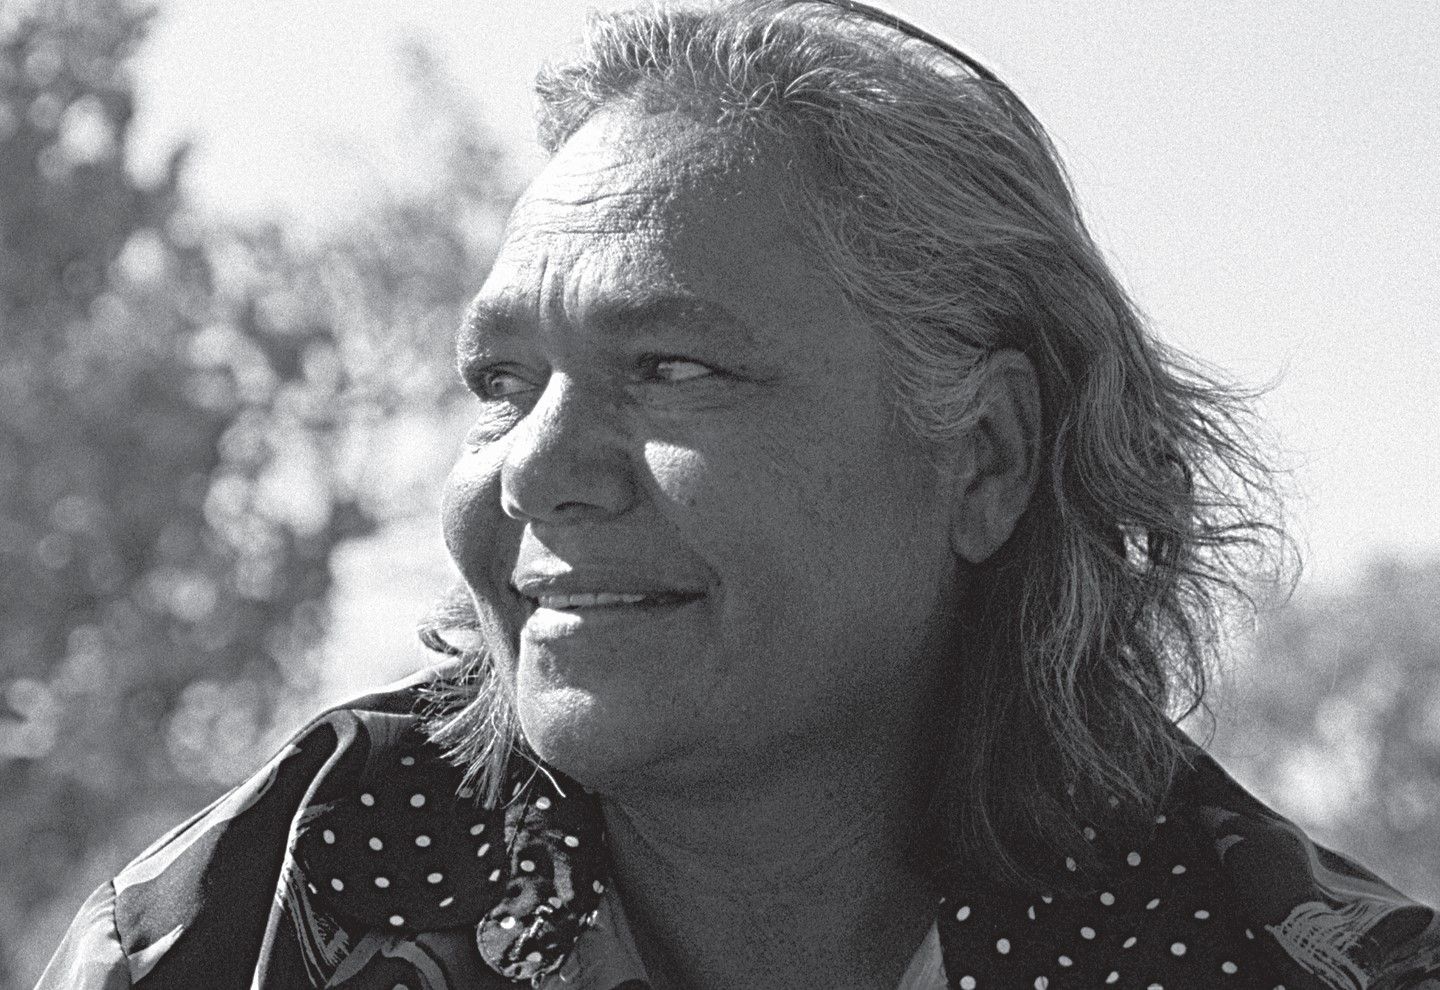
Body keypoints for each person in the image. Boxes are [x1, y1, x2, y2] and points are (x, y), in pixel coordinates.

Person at [39, 1, 1440, 987]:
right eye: (502, 382)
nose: (535, 467)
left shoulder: (1284, 960)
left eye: (674, 369)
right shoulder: (247, 924)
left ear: (989, 456)